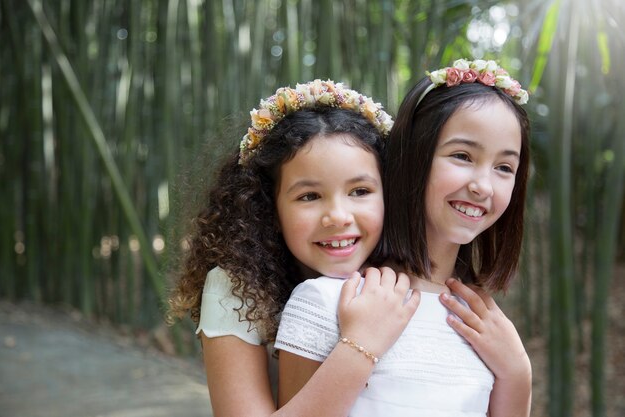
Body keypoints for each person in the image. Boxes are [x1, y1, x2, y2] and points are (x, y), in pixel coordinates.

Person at [275, 59, 532, 417]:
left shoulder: (484, 323)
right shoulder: (328, 301)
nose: (482, 185)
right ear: (413, 156)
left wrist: (517, 371)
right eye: (462, 155)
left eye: (504, 167)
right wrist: (360, 345)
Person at [166, 79, 420, 417]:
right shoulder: (237, 286)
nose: (338, 217)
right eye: (309, 196)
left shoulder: (405, 272)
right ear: (269, 207)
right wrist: (361, 347)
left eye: (360, 191)